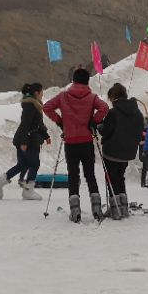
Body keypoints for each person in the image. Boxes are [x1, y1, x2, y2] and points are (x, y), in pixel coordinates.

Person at [44, 67, 109, 221]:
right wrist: (94, 121)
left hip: (71, 142)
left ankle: (75, 211)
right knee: (90, 175)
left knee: (73, 175)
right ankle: (97, 208)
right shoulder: (92, 97)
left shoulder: (63, 96)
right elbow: (104, 107)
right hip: (86, 142)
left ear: (73, 80)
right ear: (87, 81)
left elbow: (47, 107)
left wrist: (61, 122)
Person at [0, 83, 50, 201]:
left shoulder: (35, 105)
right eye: (42, 91)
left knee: (22, 165)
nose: (43, 94)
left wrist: (46, 136)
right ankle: (28, 191)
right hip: (29, 140)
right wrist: (24, 142)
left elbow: (38, 124)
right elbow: (25, 125)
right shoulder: (31, 106)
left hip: (26, 138)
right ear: (36, 93)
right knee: (34, 164)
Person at [98, 83, 144, 219]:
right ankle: (123, 208)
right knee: (120, 178)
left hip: (111, 152)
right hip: (127, 153)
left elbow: (106, 131)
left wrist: (100, 127)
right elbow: (140, 130)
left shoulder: (113, 113)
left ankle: (115, 210)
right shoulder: (137, 112)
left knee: (111, 180)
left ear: (113, 97)